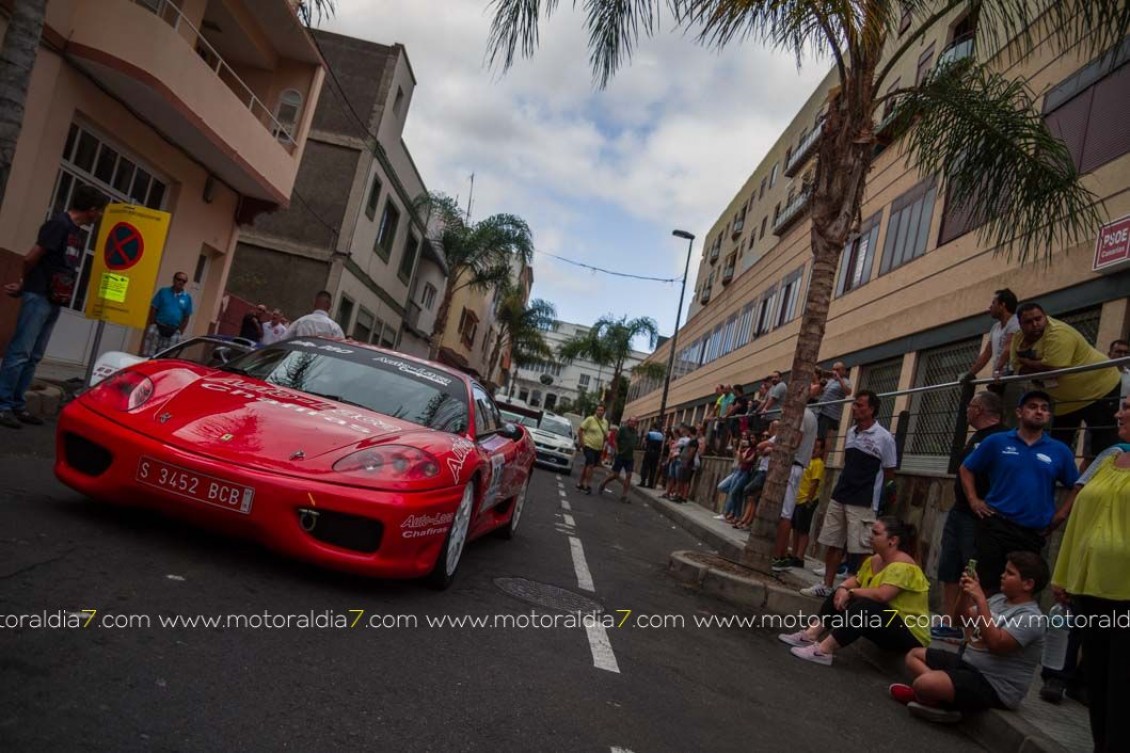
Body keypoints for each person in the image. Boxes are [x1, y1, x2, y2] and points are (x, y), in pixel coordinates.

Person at [1050, 395, 1130, 753]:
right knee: (1097, 680)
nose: (1118, 412)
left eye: (1128, 406)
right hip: (1088, 589)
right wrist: (1064, 574)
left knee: (1123, 685)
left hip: (1126, 595)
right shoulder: (1110, 457)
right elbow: (1079, 519)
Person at [893, 551, 1048, 724]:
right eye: (1005, 571)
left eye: (1010, 574)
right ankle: (938, 698)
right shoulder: (998, 600)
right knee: (914, 655)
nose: (1003, 576)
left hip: (993, 684)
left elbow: (996, 644)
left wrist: (980, 599)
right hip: (968, 665)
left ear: (1028, 584)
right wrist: (965, 593)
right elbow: (959, 620)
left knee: (924, 683)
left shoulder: (1031, 618)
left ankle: (932, 693)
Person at [0, 185, 108, 430]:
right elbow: (30, 258)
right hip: (38, 296)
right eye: (99, 212)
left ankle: (17, 403)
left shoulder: (75, 233)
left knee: (34, 355)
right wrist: (25, 284)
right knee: (20, 353)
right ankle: (3, 404)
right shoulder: (58, 225)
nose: (99, 216)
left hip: (54, 300)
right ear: (92, 210)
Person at [960, 389, 1078, 593]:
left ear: (1049, 415)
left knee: (1020, 591)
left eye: (1044, 408)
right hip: (996, 525)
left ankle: (1004, 626)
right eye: (1032, 407)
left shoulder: (1060, 451)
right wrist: (974, 500)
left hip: (1031, 533)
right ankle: (973, 625)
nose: (1039, 412)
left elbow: (1076, 486)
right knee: (983, 586)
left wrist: (1061, 515)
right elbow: (966, 468)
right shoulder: (997, 441)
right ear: (1019, 412)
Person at [779, 517, 931, 666]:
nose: (870, 537)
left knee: (865, 607)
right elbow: (856, 581)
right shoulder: (875, 560)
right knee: (840, 593)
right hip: (886, 623)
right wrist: (843, 588)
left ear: (893, 540)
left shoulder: (904, 566)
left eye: (876, 533)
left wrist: (851, 593)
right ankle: (810, 635)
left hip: (910, 634)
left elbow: (882, 595)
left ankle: (823, 651)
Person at [802, 391, 898, 598]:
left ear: (871, 409)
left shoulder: (884, 438)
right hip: (841, 495)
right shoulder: (852, 432)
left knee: (862, 549)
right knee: (833, 542)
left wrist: (884, 496)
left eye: (860, 405)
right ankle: (827, 585)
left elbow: (890, 471)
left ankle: (860, 591)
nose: (855, 408)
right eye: (854, 404)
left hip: (863, 501)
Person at [932, 391, 1009, 641]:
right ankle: (950, 620)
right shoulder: (976, 437)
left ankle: (969, 628)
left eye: (970, 406)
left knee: (971, 570)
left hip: (979, 518)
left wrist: (978, 501)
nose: (966, 410)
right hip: (959, 511)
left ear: (979, 410)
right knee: (949, 566)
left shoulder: (1002, 438)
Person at [1009, 302, 1121, 459]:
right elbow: (1017, 368)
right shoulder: (1018, 338)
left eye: (1038, 319)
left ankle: (1098, 482)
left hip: (1100, 389)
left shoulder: (1058, 333)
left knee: (1102, 445)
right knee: (1058, 444)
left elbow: (1054, 371)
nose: (1035, 325)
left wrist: (1027, 363)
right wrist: (1040, 366)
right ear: (1020, 324)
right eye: (1028, 322)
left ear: (1045, 317)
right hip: (1065, 400)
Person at [771, 405, 819, 571]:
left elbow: (795, 440)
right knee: (786, 513)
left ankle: (777, 556)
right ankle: (781, 555)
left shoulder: (801, 415)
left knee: (785, 514)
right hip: (797, 466)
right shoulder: (811, 416)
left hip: (793, 465)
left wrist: (778, 448)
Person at [963, 289, 1020, 392]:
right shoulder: (995, 327)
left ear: (1002, 305)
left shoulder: (1015, 322)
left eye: (993, 303)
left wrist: (998, 370)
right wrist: (970, 374)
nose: (990, 307)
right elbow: (986, 353)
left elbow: (1008, 349)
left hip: (1012, 375)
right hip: (998, 377)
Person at [787, 437, 826, 568]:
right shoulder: (806, 461)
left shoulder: (818, 463)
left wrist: (809, 500)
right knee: (796, 528)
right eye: (813, 446)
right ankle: (794, 553)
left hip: (806, 500)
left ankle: (800, 556)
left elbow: (814, 483)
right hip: (798, 499)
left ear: (822, 450)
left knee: (803, 529)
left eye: (818, 447)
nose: (814, 449)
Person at [144, 271, 195, 356]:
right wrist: (152, 323)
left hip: (173, 331)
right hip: (157, 327)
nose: (181, 282)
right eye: (179, 279)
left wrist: (180, 331)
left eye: (184, 281)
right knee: (149, 355)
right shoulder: (163, 292)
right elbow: (153, 308)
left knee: (166, 358)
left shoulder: (187, 297)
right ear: (174, 280)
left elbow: (186, 316)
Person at [598, 415, 639, 501]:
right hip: (621, 455)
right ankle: (603, 483)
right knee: (615, 475)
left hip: (629, 457)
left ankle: (624, 496)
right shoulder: (623, 429)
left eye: (634, 422)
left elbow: (635, 442)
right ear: (628, 422)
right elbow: (615, 440)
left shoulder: (635, 432)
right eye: (631, 421)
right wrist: (617, 450)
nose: (633, 423)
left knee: (629, 475)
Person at [815, 362, 852, 442]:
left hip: (830, 414)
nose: (834, 371)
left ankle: (822, 454)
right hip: (821, 410)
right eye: (833, 369)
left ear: (843, 371)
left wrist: (839, 378)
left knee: (823, 438)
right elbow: (821, 392)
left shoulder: (845, 381)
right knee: (817, 435)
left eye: (837, 370)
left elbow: (848, 392)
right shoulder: (830, 380)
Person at [576, 404, 609, 494]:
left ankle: (580, 483)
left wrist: (603, 447)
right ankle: (588, 485)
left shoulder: (605, 422)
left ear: (604, 412)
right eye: (598, 410)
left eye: (601, 410)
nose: (599, 411)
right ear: (596, 411)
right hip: (588, 445)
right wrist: (582, 443)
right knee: (590, 465)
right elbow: (580, 430)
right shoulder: (590, 419)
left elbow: (605, 436)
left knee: (587, 465)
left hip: (598, 448)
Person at [639, 423, 665, 488]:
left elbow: (644, 443)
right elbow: (662, 445)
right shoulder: (661, 435)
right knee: (653, 469)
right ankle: (651, 484)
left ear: (652, 427)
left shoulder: (650, 434)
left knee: (645, 468)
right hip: (656, 454)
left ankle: (643, 482)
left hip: (649, 452)